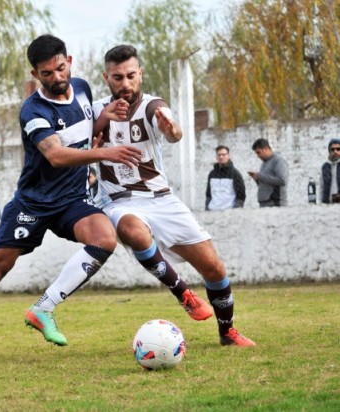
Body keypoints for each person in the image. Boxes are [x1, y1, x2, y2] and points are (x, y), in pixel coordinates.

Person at [0, 34, 142, 367]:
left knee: (104, 239)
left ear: (68, 61)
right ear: (35, 75)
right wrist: (106, 152)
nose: (56, 78)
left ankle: (44, 308)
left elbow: (85, 131)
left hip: (71, 200)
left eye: (60, 69)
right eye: (47, 74)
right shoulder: (33, 111)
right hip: (33, 204)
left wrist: (105, 117)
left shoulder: (83, 88)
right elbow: (56, 155)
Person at [92, 44, 255, 347]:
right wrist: (103, 119)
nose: (125, 83)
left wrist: (173, 129)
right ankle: (184, 294)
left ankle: (227, 333)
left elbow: (170, 128)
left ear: (139, 73)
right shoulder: (94, 109)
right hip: (119, 201)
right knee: (132, 230)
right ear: (106, 77)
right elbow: (84, 146)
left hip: (161, 199)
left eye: (130, 75)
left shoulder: (152, 105)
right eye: (117, 77)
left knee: (214, 268)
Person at [248, 138, 289, 207]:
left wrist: (260, 176)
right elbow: (266, 183)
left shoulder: (278, 161)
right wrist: (257, 179)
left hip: (276, 204)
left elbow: (282, 180)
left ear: (266, 149)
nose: (257, 156)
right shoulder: (264, 163)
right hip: (264, 203)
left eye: (258, 152)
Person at [205, 145, 246, 210]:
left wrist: (236, 210)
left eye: (223, 154)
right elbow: (208, 195)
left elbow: (241, 197)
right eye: (219, 155)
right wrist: (207, 208)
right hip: (212, 211)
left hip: (229, 212)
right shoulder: (212, 174)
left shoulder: (235, 174)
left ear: (228, 156)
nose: (221, 157)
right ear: (216, 157)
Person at [321, 138, 340, 204]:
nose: (335, 151)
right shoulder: (325, 167)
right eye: (333, 149)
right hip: (328, 204)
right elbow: (321, 188)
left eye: (338, 149)